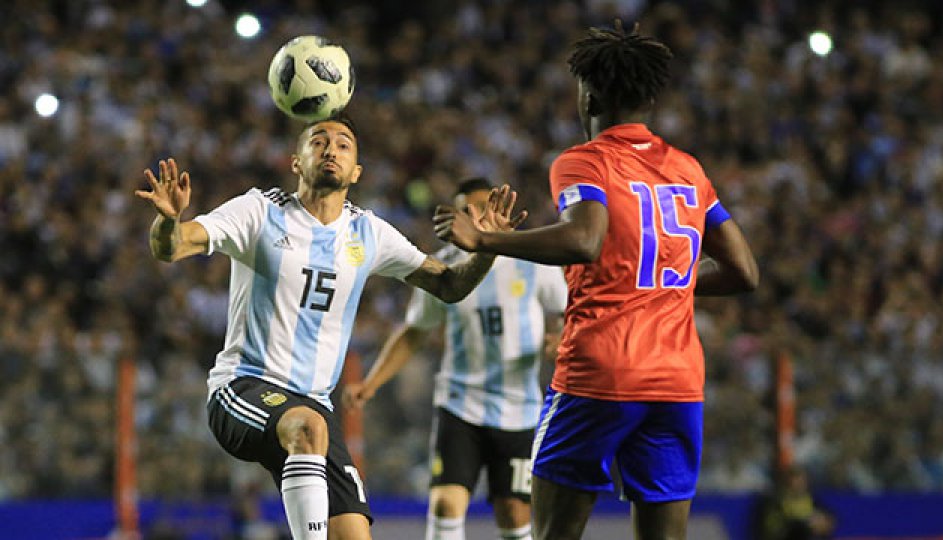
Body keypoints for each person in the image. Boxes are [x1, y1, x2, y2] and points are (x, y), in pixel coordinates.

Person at [433, 22, 759, 540]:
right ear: (650, 98)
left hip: (600, 372)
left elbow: (585, 238)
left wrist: (486, 241)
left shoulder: (583, 161)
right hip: (676, 380)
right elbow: (744, 272)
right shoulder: (689, 169)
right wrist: (660, 283)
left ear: (588, 96)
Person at [134, 115, 525, 540]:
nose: (330, 149)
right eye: (318, 141)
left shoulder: (369, 233)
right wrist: (168, 221)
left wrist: (486, 250)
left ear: (357, 171)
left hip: (312, 406)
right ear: (296, 162)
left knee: (353, 533)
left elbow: (449, 287)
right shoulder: (260, 211)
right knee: (308, 426)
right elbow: (170, 248)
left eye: (343, 144)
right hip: (242, 388)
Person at [342, 177, 568, 540]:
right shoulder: (445, 268)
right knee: (446, 503)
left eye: (483, 207)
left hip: (519, 408)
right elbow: (415, 330)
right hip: (460, 404)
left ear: (500, 210)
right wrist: (372, 382)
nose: (475, 216)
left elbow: (566, 310)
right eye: (466, 210)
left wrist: (560, 338)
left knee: (514, 512)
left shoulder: (533, 263)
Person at [753, 467, 835, 540]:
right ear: (787, 483)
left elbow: (829, 518)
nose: (799, 485)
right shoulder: (775, 501)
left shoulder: (811, 499)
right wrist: (807, 525)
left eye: (802, 482)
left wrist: (825, 523)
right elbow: (775, 528)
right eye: (796, 482)